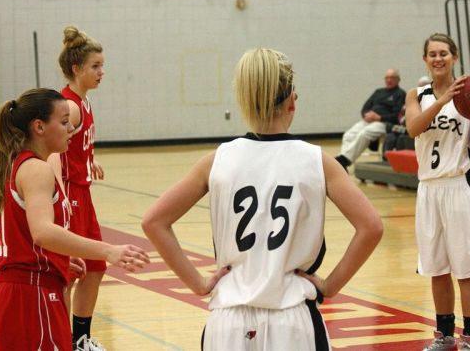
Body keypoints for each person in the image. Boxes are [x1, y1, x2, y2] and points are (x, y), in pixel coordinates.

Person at [142, 48, 383, 350]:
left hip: (227, 321)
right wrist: (330, 286)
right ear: (292, 101)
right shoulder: (317, 160)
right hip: (291, 316)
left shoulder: (217, 159)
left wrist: (197, 283)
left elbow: (154, 221)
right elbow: (371, 226)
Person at [0, 88, 149, 351]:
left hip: (14, 293)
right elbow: (42, 232)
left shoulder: (14, 164)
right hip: (32, 296)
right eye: (64, 122)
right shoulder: (37, 169)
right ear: (39, 127)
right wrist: (108, 251)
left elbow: (10, 236)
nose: (71, 129)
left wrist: (56, 259)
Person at [404, 33, 470, 351]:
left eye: (443, 53)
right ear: (425, 59)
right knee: (436, 268)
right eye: (432, 54)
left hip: (460, 186)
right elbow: (413, 128)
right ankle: (444, 336)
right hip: (428, 188)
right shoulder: (416, 95)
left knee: (465, 270)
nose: (438, 59)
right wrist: (442, 101)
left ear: (454, 57)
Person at [48, 26, 107, 351]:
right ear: (76, 68)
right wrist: (59, 194)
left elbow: (73, 146)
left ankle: (79, 338)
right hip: (71, 196)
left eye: (101, 65)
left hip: (83, 193)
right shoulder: (68, 106)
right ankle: (60, 341)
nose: (101, 72)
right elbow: (52, 151)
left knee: (95, 267)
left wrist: (88, 160)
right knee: (69, 273)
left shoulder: (83, 102)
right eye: (95, 66)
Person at [335, 69, 406, 171]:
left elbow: (397, 115)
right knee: (348, 135)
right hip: (369, 120)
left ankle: (344, 161)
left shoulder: (400, 94)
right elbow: (365, 108)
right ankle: (341, 164)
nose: (389, 80)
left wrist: (379, 117)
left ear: (398, 79)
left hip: (385, 123)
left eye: (392, 77)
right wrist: (366, 115)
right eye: (387, 78)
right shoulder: (378, 92)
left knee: (365, 133)